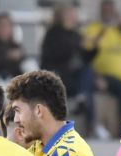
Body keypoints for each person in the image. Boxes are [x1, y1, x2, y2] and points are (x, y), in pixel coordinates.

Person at [82, 0, 121, 134]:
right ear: (101, 12)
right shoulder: (94, 29)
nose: (109, 14)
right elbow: (86, 57)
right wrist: (100, 35)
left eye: (111, 11)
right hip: (105, 76)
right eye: (106, 11)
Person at [40, 3, 97, 135]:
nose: (73, 16)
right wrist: (78, 44)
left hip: (74, 76)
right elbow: (56, 55)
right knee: (87, 87)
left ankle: (83, 104)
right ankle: (82, 101)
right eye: (69, 13)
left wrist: (94, 47)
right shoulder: (53, 33)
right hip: (58, 74)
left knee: (88, 72)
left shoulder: (76, 34)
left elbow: (85, 58)